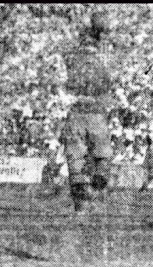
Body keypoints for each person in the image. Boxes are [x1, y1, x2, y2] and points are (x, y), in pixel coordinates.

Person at [61, 12, 117, 214]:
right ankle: (96, 183)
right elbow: (108, 85)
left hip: (75, 114)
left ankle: (81, 205)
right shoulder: (102, 63)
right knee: (103, 158)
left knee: (75, 163)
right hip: (95, 114)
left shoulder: (71, 60)